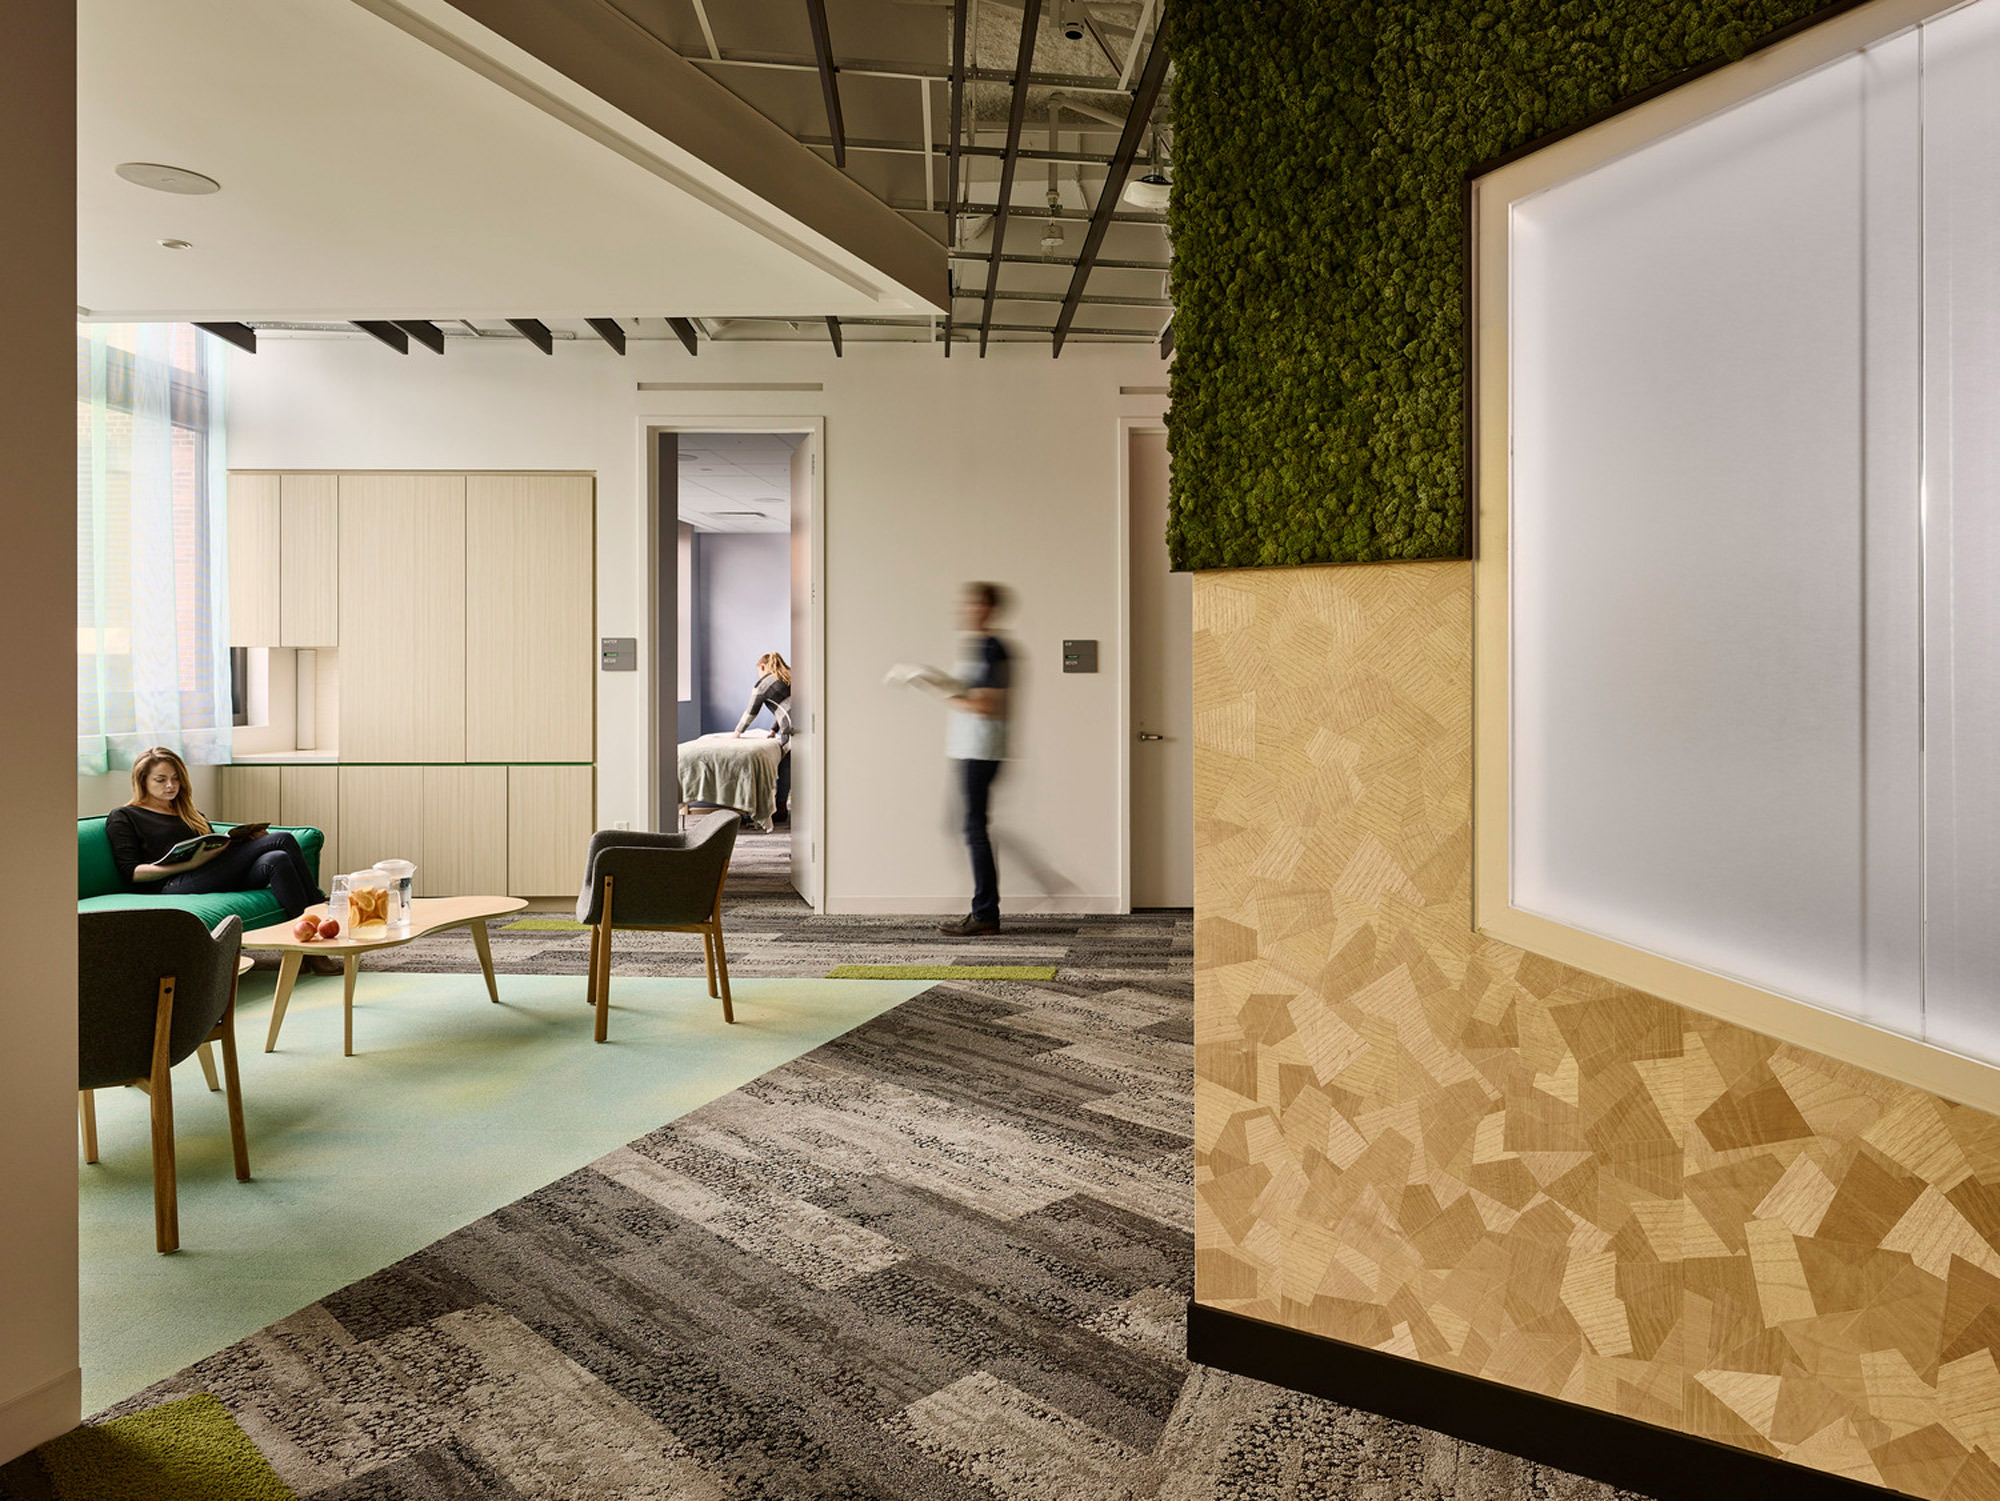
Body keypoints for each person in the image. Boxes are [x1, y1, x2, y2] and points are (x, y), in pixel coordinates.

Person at [105, 747, 327, 926]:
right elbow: (132, 873)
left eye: (175, 778)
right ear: (142, 781)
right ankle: (324, 915)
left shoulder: (189, 813)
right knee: (282, 839)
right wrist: (190, 863)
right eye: (160, 780)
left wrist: (245, 840)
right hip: (170, 884)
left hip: (209, 873)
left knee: (277, 859)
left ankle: (306, 949)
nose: (171, 785)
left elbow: (215, 847)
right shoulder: (124, 816)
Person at [939, 582, 1011, 936]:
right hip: (971, 748)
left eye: (974, 604)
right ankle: (985, 910)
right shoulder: (979, 647)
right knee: (973, 826)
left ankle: (985, 913)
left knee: (974, 828)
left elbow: (987, 705)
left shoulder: (993, 650)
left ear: (989, 608)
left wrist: (942, 689)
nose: (966, 609)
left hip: (981, 749)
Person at [732, 651, 793, 824]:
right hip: (805, 725)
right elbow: (785, 707)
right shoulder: (789, 676)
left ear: (763, 667)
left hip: (792, 730)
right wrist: (774, 730)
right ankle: (782, 805)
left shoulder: (763, 685)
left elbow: (750, 713)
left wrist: (737, 733)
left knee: (785, 767)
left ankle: (780, 808)